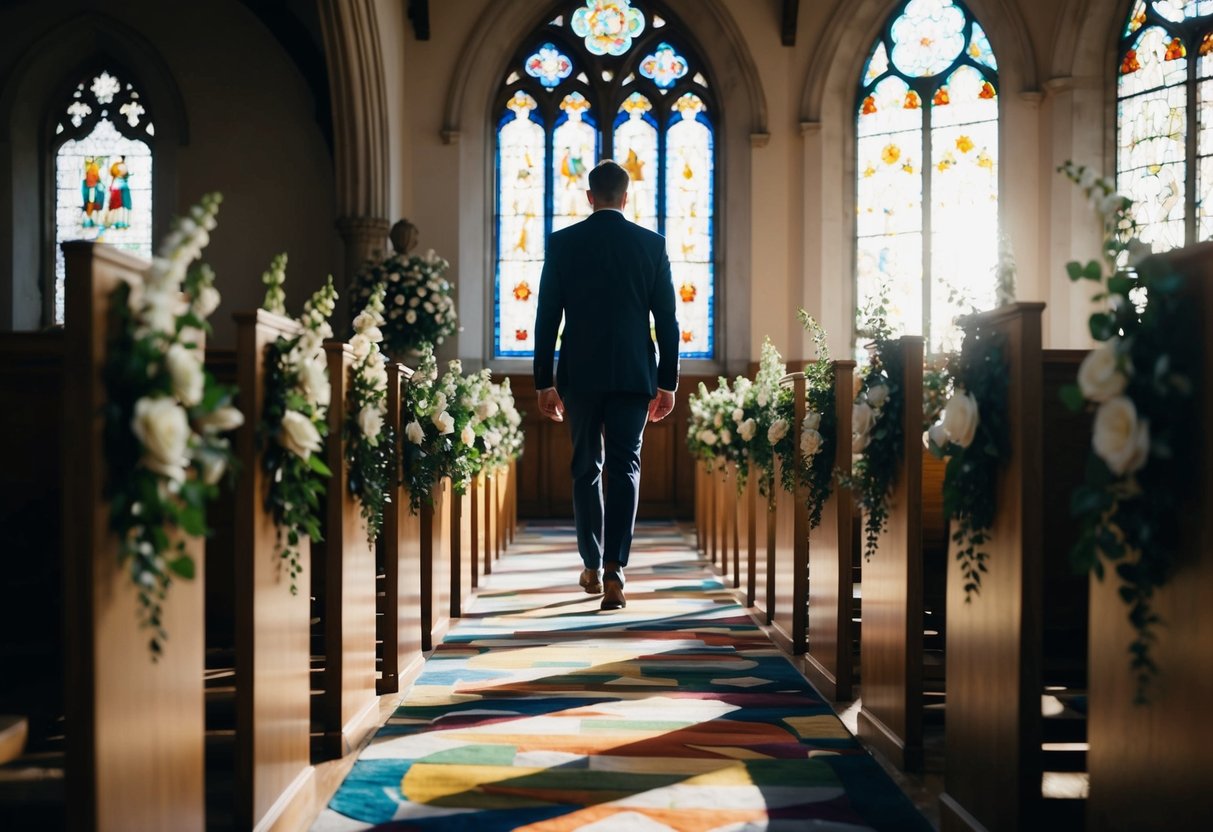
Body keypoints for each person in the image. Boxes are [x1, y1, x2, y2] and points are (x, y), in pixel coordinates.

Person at [533, 160, 679, 611]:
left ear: (590, 197)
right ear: (626, 197)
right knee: (625, 467)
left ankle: (592, 565)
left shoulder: (562, 244)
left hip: (580, 374)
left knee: (586, 467)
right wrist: (667, 381)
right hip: (634, 375)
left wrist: (544, 381)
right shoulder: (651, 246)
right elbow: (668, 322)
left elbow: (547, 318)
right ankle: (617, 567)